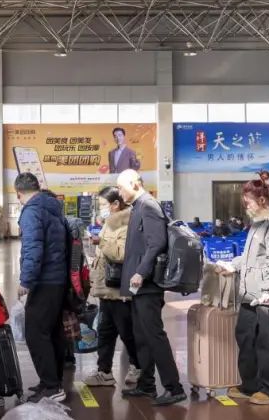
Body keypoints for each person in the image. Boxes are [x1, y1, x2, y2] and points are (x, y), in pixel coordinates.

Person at [221, 172, 269, 404]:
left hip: (267, 295)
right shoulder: (258, 223)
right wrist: (233, 265)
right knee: (246, 337)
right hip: (249, 293)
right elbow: (252, 258)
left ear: (262, 200)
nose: (245, 205)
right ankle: (250, 385)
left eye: (248, 201)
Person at [117, 170, 186, 407]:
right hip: (139, 285)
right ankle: (147, 384)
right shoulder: (138, 206)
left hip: (148, 284)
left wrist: (140, 272)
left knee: (154, 335)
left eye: (121, 187)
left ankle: (174, 387)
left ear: (134, 184)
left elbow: (157, 243)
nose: (119, 192)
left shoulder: (148, 206)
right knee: (141, 335)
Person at [13, 172, 70, 403]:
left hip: (44, 280)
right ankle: (52, 381)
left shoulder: (32, 211)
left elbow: (33, 248)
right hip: (58, 278)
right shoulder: (52, 206)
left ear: (18, 193)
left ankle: (52, 386)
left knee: (35, 333)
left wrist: (26, 281)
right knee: (53, 331)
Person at [83, 186, 140, 388]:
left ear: (116, 204)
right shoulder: (110, 223)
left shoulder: (128, 223)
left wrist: (101, 242)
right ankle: (104, 371)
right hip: (106, 288)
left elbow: (122, 253)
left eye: (103, 205)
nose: (101, 209)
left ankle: (138, 367)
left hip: (120, 290)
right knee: (105, 331)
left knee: (127, 332)